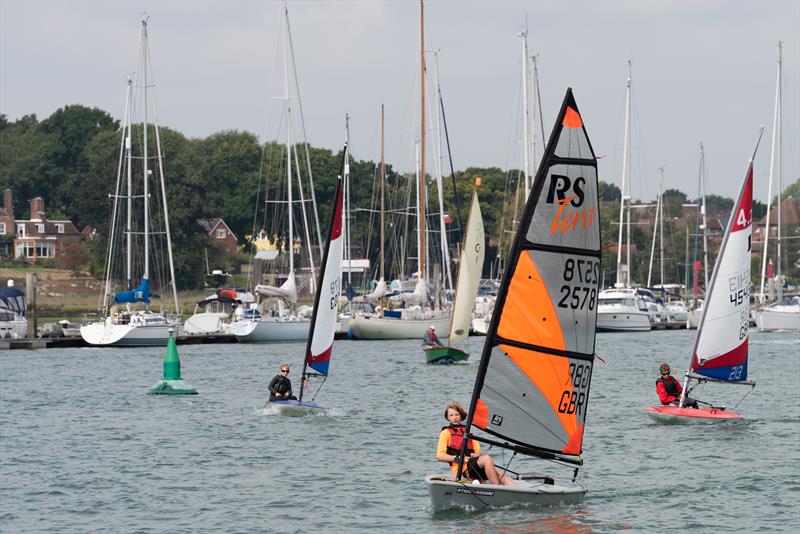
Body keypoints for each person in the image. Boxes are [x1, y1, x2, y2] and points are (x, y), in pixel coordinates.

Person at [436, 401, 516, 486]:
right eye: (451, 415)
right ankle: (498, 488)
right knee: (487, 459)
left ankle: (517, 491)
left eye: (457, 414)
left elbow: (478, 452)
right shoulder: (445, 433)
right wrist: (458, 458)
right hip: (463, 470)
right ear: (448, 417)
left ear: (461, 415)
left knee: (500, 474)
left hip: (473, 465)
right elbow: (440, 456)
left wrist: (474, 455)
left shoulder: (468, 431)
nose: (454, 418)